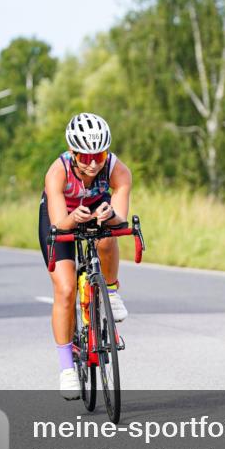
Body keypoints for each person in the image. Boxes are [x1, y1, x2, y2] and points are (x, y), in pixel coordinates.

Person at [38, 113, 132, 399]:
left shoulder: (117, 170)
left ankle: (111, 292)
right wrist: (72, 219)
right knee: (65, 289)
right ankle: (67, 368)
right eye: (85, 156)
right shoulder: (58, 171)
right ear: (72, 152)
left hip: (97, 208)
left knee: (106, 238)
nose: (93, 164)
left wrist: (111, 215)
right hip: (61, 217)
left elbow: (121, 221)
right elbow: (58, 225)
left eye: (100, 154)